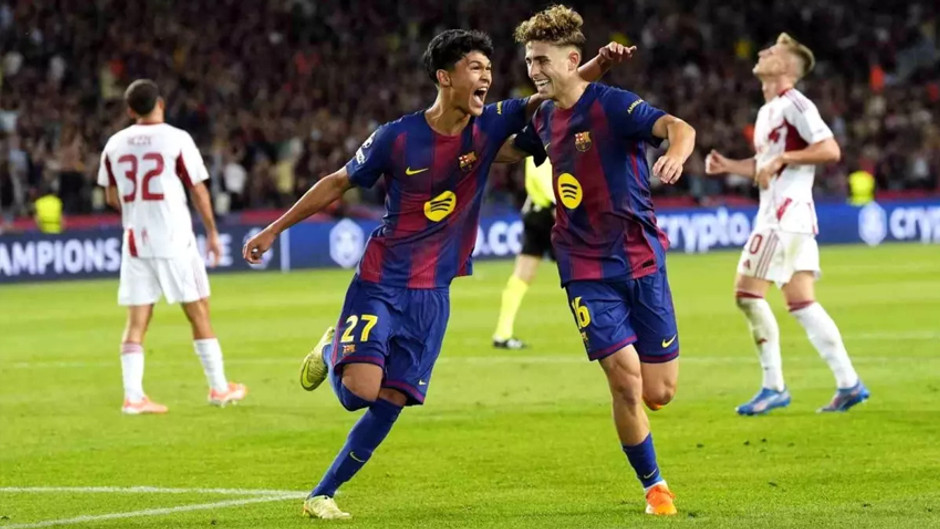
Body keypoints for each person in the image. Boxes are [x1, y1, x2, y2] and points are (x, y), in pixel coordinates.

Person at [242, 29, 629, 520]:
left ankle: (323, 493)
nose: (486, 76)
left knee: (392, 398)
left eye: (489, 69)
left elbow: (554, 92)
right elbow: (338, 182)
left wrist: (600, 64)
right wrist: (274, 229)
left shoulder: (490, 125)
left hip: (434, 293)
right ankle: (332, 347)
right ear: (445, 77)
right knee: (359, 393)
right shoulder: (398, 137)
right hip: (382, 280)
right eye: (475, 68)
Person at [498, 5, 696, 516]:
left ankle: (648, 424)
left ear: (572, 60)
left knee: (659, 392)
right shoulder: (542, 117)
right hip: (583, 265)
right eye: (529, 60)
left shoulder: (613, 106)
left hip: (640, 258)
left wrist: (675, 154)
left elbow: (679, 127)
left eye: (542, 60)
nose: (533, 69)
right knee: (624, 379)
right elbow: (504, 152)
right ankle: (655, 487)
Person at [705, 33, 869, 415]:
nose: (763, 52)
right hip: (790, 217)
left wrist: (784, 158)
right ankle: (849, 383)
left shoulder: (796, 103)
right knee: (802, 303)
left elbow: (830, 149)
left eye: (772, 51)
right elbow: (765, 165)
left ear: (786, 67)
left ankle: (773, 386)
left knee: (747, 295)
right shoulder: (768, 111)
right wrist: (730, 166)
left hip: (782, 217)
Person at [97, 79, 246, 415]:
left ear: (130, 110)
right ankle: (219, 388)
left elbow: (111, 196)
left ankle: (133, 396)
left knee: (137, 321)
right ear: (160, 104)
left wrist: (138, 213)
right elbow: (198, 190)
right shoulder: (177, 139)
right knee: (198, 311)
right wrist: (212, 232)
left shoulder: (114, 144)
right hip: (173, 238)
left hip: (135, 241)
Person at [491, 155, 555, 349]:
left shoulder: (542, 141)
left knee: (522, 274)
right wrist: (556, 205)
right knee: (582, 270)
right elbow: (540, 175)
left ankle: (502, 333)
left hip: (536, 211)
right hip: (548, 214)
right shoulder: (548, 142)